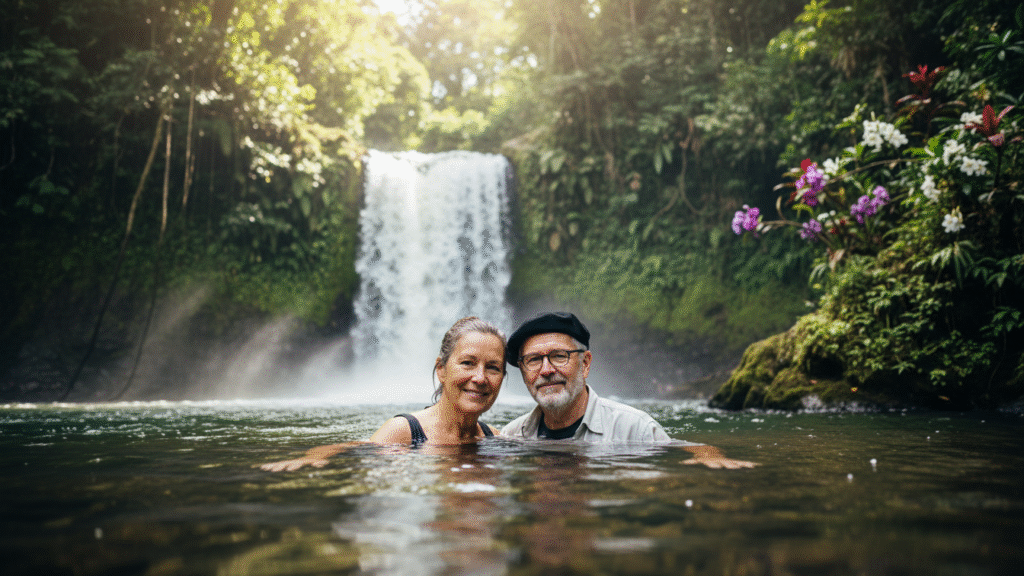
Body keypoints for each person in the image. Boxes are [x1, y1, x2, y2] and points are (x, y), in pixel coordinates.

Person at [501, 312, 757, 469]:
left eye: (559, 356)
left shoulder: (635, 428)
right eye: (533, 360)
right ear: (523, 372)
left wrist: (709, 453)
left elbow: (684, 447)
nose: (546, 370)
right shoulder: (511, 436)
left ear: (586, 363)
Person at [260, 316, 506, 472]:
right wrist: (310, 457)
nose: (480, 378)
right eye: (468, 363)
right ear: (441, 369)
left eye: (493, 367)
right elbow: (355, 447)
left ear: (503, 378)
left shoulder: (492, 437)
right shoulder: (404, 431)